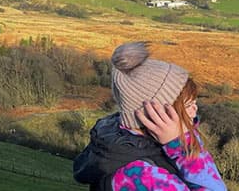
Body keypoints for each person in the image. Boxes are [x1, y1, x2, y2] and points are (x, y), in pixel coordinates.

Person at [73, 42, 226, 190]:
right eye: (188, 105)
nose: (195, 110)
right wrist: (179, 144)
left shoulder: (121, 139)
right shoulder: (141, 176)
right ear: (155, 114)